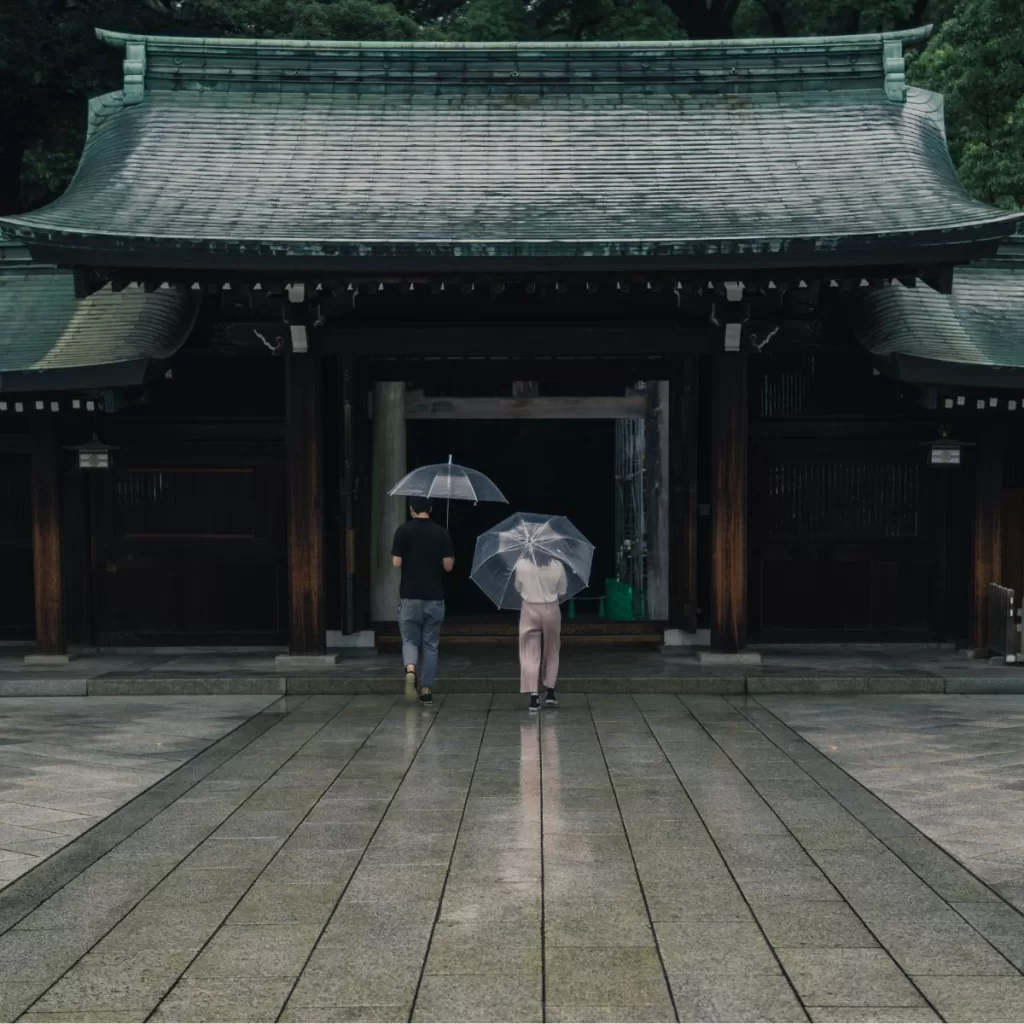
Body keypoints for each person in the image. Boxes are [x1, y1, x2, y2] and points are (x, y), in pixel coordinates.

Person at [391, 497, 455, 706]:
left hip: (409, 596)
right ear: (430, 508)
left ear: (411, 509)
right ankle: (426, 690)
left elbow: (396, 562)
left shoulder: (403, 531)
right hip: (434, 597)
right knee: (430, 644)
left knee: (409, 640)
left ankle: (410, 669)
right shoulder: (441, 532)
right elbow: (448, 567)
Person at [515, 552, 567, 712]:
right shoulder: (558, 565)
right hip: (551, 608)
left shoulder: (521, 563)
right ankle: (550, 691)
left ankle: (534, 696)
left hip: (529, 608)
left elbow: (518, 587)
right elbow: (563, 590)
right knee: (552, 649)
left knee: (529, 652)